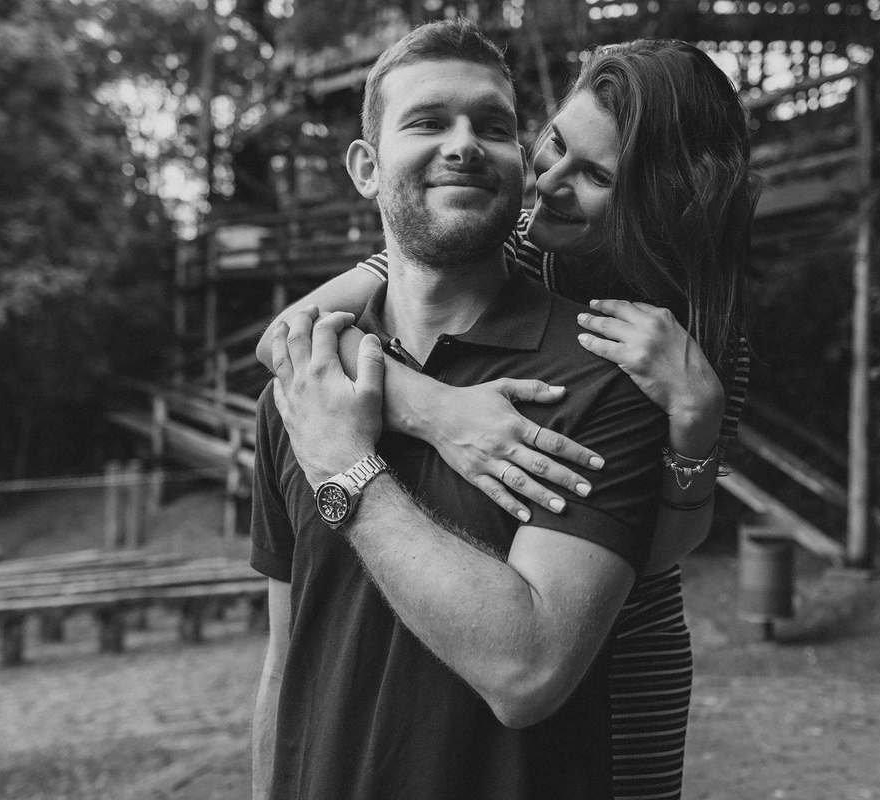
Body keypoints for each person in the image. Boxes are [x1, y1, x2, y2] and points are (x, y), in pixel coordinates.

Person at [256, 35, 758, 800]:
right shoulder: (506, 242)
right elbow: (283, 340)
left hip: (627, 635)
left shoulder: (698, 332)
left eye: (594, 175)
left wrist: (695, 417)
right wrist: (435, 408)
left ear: (656, 199)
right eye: (553, 145)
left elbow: (665, 548)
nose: (552, 181)